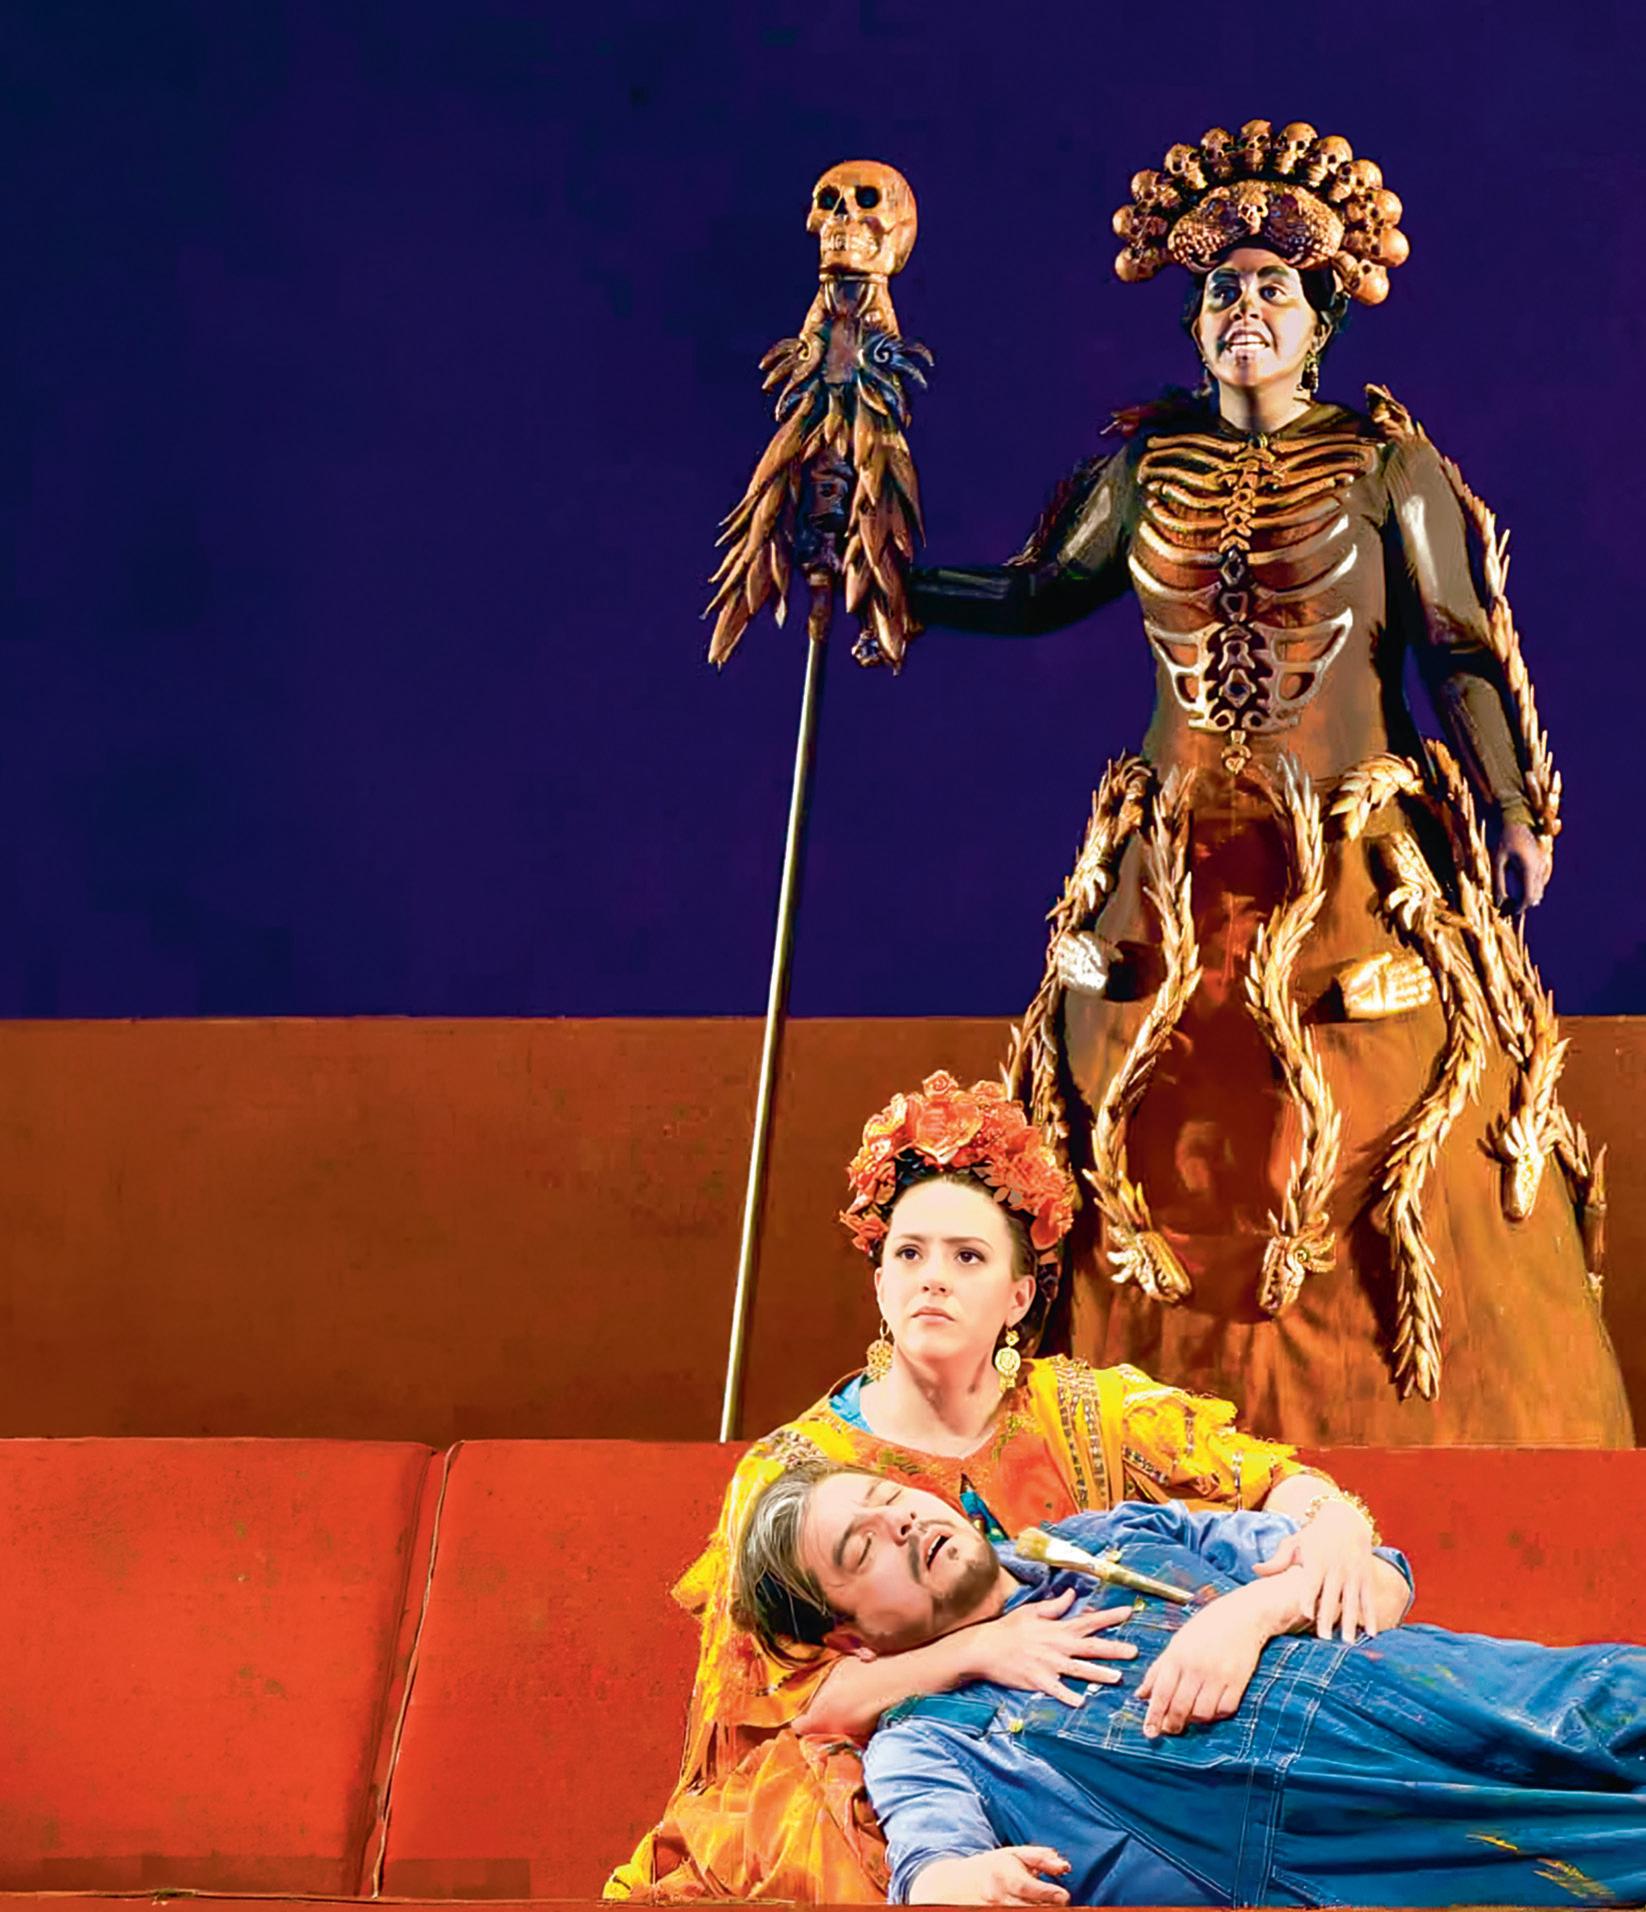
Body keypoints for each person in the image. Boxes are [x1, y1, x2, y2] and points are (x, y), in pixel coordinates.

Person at [884, 119, 1631, 1444]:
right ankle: (1116, 1438)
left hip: (1348, 858)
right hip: (1167, 868)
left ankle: (1416, 1435)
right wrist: (887, 575)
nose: (1244, 309)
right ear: (1194, 322)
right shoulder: (1143, 469)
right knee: (1123, 1113)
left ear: (1317, 321)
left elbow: (1457, 645)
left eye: (1272, 288)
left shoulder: (1386, 466)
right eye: (1221, 289)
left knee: (1380, 1106)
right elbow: (1036, 590)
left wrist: (1512, 803)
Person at [606, 1070, 1379, 1902]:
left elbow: (1277, 1484)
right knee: (826, 1794)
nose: (932, 1278)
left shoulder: (1087, 1408)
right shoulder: (794, 1471)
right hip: (903, 1774)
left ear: (1018, 1297)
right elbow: (788, 1713)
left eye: (966, 1257)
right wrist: (974, 1653)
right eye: (909, 1254)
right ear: (880, 1282)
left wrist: (1334, 1526)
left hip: (1095, 1735)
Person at [740, 1461, 1646, 1907]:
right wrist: (960, 1882)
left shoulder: (1102, 1536)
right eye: (860, 1547)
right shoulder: (929, 1735)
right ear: (848, 1636)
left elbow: (1378, 1579)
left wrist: (1249, 1613)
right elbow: (931, 1862)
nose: (899, 1523)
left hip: (1459, 1694)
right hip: (1363, 1842)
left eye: (887, 1497)